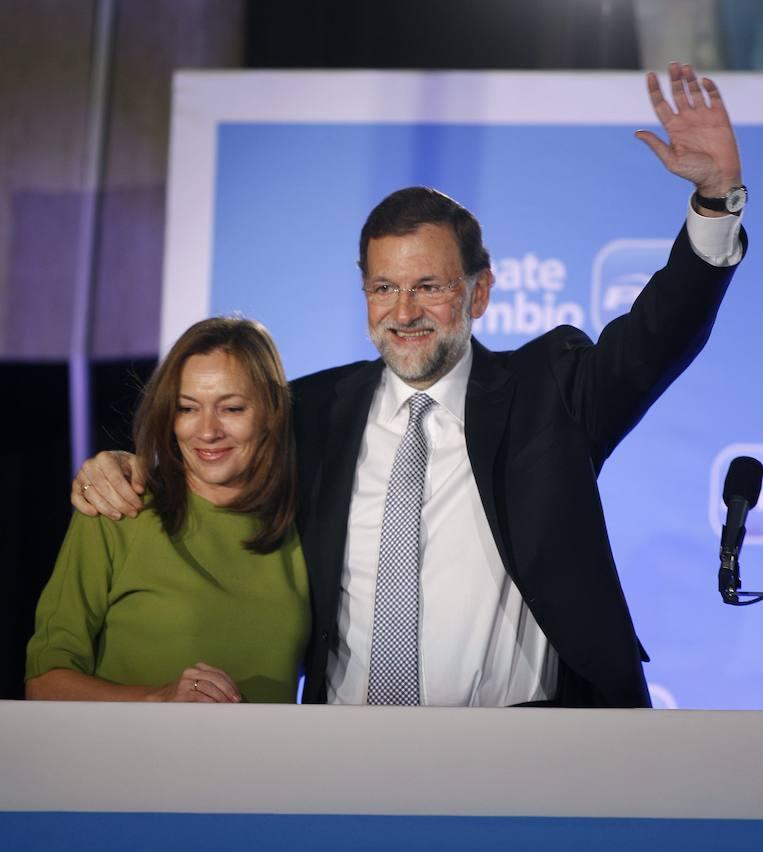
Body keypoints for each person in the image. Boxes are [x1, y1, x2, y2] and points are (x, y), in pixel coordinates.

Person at [71, 64, 746, 707]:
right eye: (383, 288)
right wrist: (128, 468)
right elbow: (212, 461)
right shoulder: (308, 411)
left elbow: (657, 336)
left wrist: (715, 202)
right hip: (346, 753)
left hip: (527, 749)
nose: (402, 312)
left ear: (479, 291)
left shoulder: (551, 393)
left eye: (428, 287)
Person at [27, 318, 310, 702]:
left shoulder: (302, 526)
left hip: (263, 762)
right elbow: (44, 684)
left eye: (231, 408)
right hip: (130, 759)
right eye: (187, 408)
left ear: (271, 412)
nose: (207, 431)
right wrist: (159, 700)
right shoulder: (118, 507)